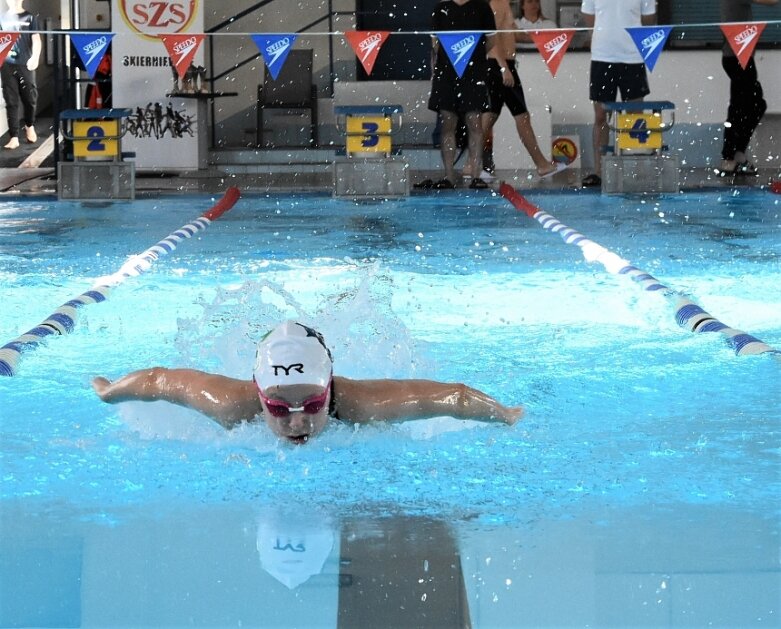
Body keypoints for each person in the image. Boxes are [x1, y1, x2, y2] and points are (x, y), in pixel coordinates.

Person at [92, 320, 523, 444]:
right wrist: (111, 392)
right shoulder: (226, 402)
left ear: (330, 389)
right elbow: (157, 381)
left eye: (313, 405)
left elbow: (453, 397)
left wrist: (506, 416)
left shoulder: (361, 404)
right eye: (278, 409)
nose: (296, 423)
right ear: (258, 393)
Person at [479, 0, 562, 181]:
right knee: (522, 117)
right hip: (500, 66)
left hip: (499, 66)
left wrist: (547, 37)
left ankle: (474, 165)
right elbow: (491, 40)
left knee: (489, 117)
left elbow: (515, 35)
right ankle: (542, 165)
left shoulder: (503, 5)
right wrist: (504, 69)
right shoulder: (498, 4)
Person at [580, 0, 656, 187]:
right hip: (602, 56)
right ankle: (599, 171)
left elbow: (649, 20)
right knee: (600, 116)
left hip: (633, 57)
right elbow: (589, 17)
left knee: (635, 116)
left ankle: (634, 170)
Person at [427, 0, 497, 189]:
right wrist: (446, 64)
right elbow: (435, 44)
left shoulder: (482, 7)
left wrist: (470, 57)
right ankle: (449, 176)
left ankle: (475, 175)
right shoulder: (441, 9)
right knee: (447, 121)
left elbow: (491, 41)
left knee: (474, 121)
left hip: (473, 73)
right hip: (446, 72)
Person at [718, 0, 778, 177]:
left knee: (744, 106)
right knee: (747, 106)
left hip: (737, 57)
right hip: (737, 58)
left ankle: (734, 156)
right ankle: (730, 157)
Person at [0, 0, 41, 150]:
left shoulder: (29, 17)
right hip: (7, 64)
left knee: (30, 97)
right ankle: (14, 136)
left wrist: (35, 57)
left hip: (25, 63)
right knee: (11, 100)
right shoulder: (1, 18)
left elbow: (36, 39)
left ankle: (29, 125)